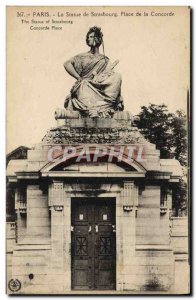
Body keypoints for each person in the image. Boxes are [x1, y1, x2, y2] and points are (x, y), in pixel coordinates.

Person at [64, 26, 124, 118]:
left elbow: (110, 75)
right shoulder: (82, 56)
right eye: (90, 37)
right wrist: (78, 78)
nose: (92, 39)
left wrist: (101, 78)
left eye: (95, 36)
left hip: (101, 85)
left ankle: (104, 107)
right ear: (87, 40)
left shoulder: (105, 59)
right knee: (84, 83)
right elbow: (67, 64)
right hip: (86, 84)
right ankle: (93, 109)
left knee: (117, 76)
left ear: (100, 39)